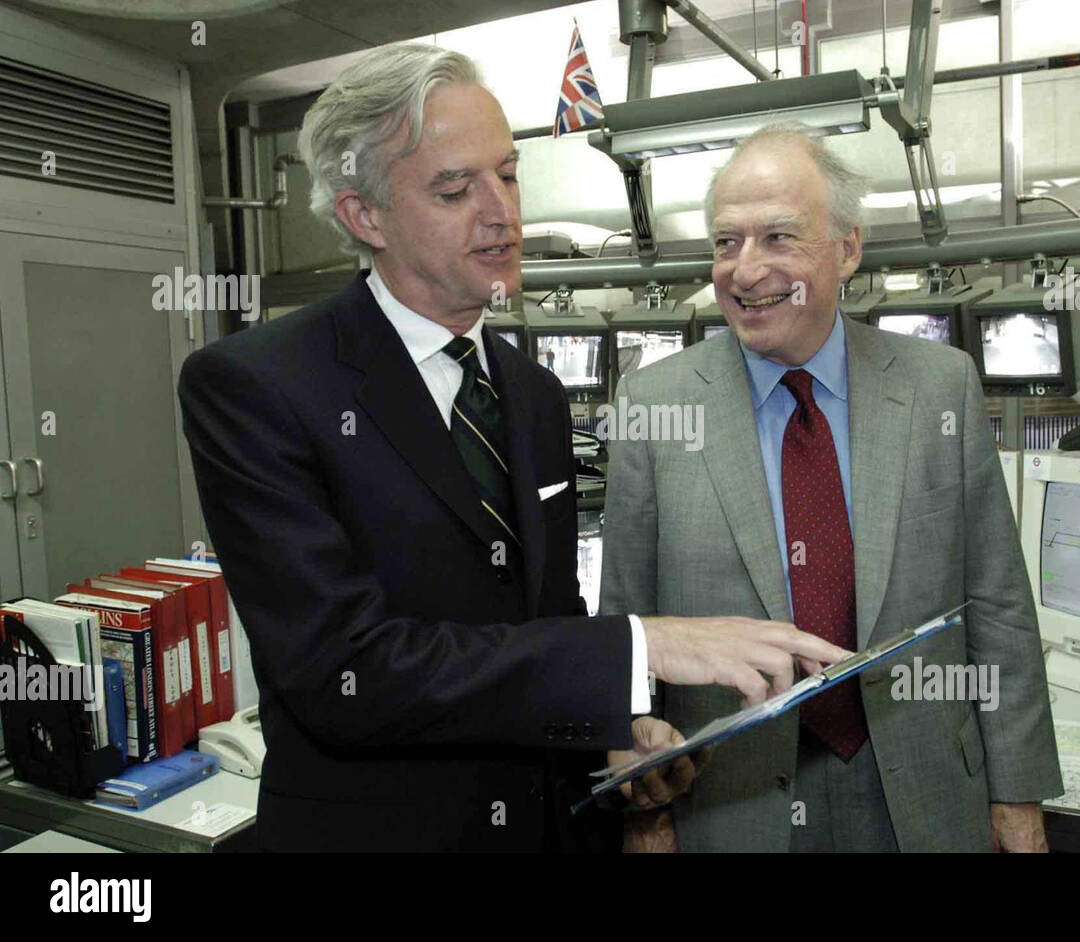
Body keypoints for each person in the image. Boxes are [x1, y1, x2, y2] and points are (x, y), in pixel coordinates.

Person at [176, 47, 847, 852]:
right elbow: (343, 673)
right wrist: (643, 644)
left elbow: (543, 619)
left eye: (508, 174)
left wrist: (613, 730)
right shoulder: (258, 387)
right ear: (366, 216)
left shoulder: (529, 393)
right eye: (456, 190)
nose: (502, 213)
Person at [600, 123, 1063, 853]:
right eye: (726, 242)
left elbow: (999, 605)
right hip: (727, 806)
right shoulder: (654, 408)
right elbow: (624, 631)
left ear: (847, 248)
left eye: (778, 238)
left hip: (919, 793)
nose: (745, 270)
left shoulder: (940, 387)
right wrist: (644, 814)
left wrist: (1017, 793)